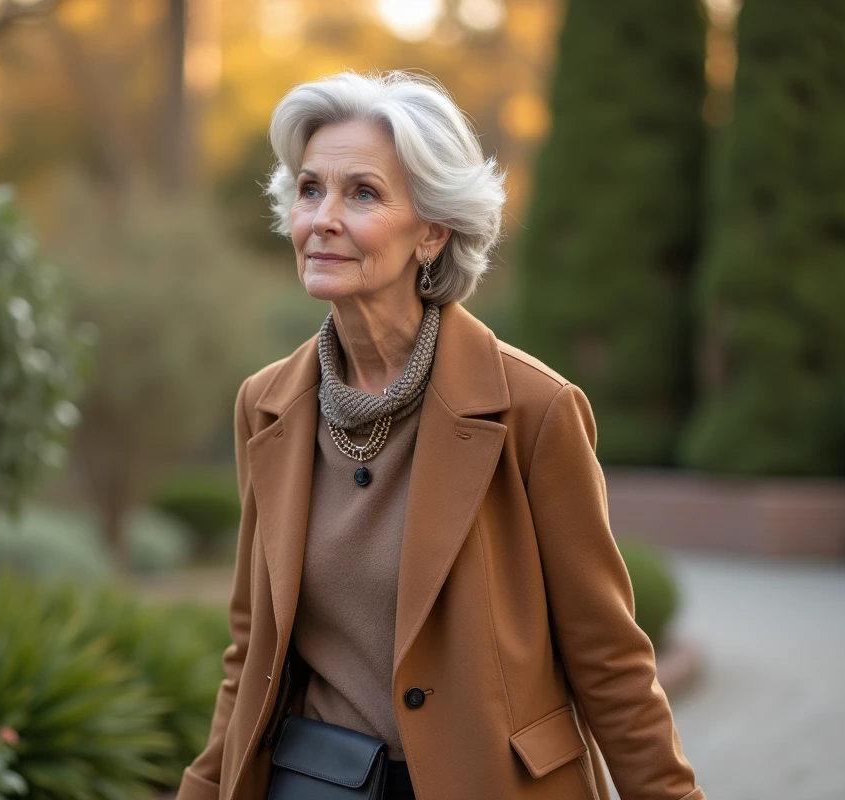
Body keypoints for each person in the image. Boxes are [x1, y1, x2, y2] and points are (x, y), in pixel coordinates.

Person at [176, 70, 705, 800]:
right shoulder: (265, 407)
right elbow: (251, 652)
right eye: (310, 189)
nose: (323, 218)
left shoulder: (535, 409)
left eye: (362, 193)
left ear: (432, 230)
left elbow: (608, 658)